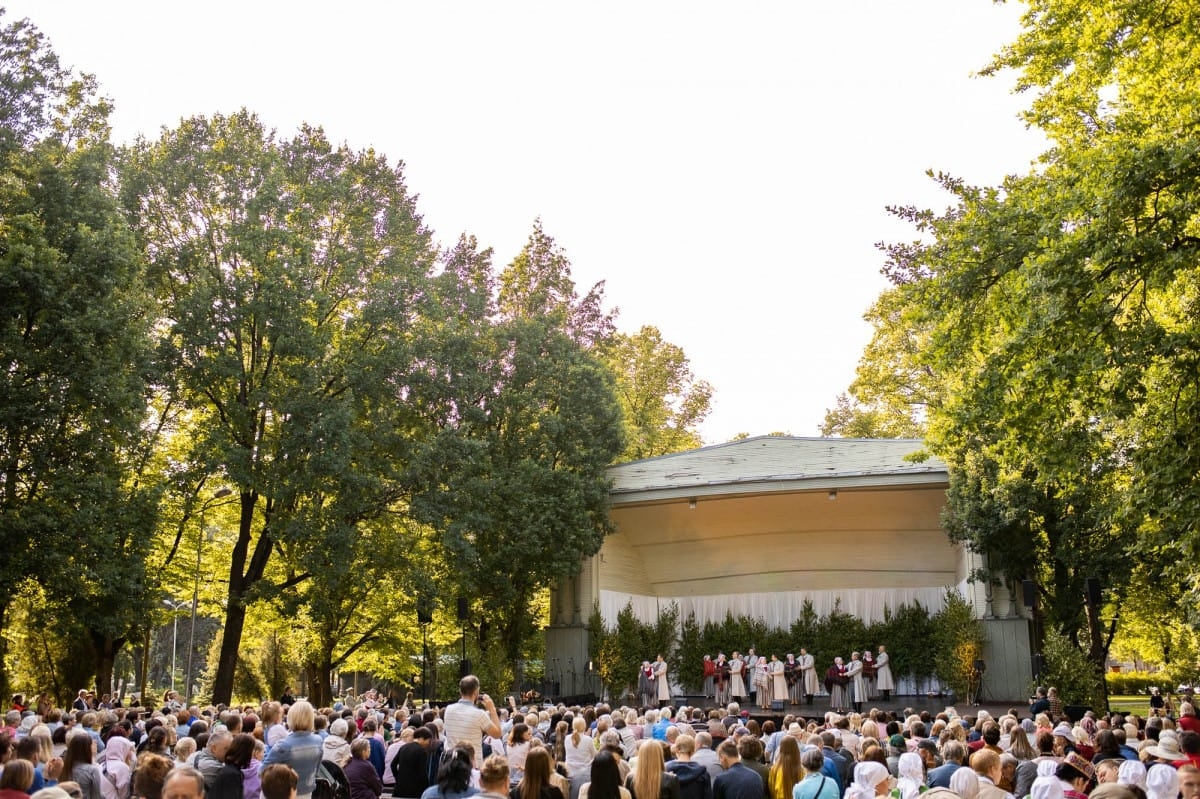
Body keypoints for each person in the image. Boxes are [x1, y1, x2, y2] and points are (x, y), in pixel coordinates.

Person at [261, 701, 323, 799]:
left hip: (282, 794)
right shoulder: (318, 741)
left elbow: (262, 772)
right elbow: (316, 770)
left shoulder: (283, 745)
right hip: (306, 792)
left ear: (291, 717)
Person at [445, 677, 502, 770]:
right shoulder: (479, 714)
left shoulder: (449, 709)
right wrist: (492, 709)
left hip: (452, 763)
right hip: (472, 766)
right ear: (476, 691)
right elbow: (498, 734)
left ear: (460, 690)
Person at [393, 727, 436, 799]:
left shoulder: (404, 747)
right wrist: (427, 787)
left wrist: (398, 778)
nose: (428, 743)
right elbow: (422, 772)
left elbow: (393, 765)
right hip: (414, 790)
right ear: (422, 738)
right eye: (428, 740)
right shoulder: (421, 751)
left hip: (400, 787)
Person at [212, 734, 256, 799]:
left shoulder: (230, 770)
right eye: (252, 750)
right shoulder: (232, 774)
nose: (253, 753)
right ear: (247, 752)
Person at [63, 733, 103, 799]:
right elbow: (96, 796)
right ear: (87, 748)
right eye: (92, 744)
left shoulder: (64, 766)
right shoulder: (92, 770)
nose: (95, 745)